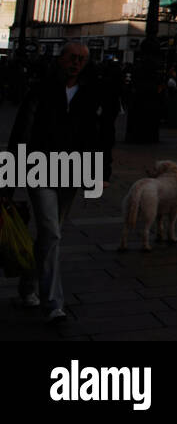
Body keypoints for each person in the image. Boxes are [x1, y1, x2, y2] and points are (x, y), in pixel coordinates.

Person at [7, 43, 114, 323]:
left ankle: (28, 289)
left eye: (82, 59)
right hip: (40, 169)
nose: (76, 63)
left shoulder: (91, 93)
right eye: (72, 57)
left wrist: (101, 171)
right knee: (51, 232)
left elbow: (100, 135)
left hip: (72, 171)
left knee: (49, 234)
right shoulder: (42, 89)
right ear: (61, 59)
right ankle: (53, 303)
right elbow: (22, 131)